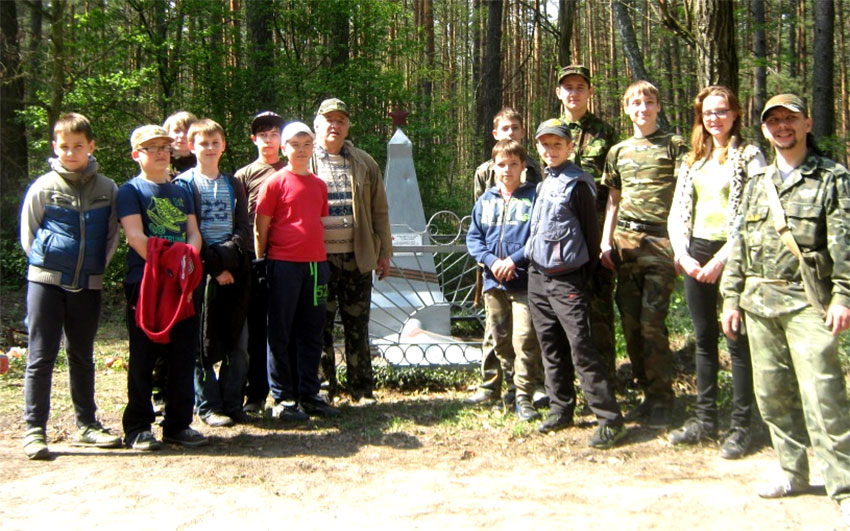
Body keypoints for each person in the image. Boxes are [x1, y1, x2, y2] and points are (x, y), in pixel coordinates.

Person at [720, 94, 850, 524]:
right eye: (773, 121)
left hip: (807, 302)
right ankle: (792, 471)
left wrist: (843, 296)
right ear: (764, 130)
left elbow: (844, 246)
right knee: (772, 395)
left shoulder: (832, 177)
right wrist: (731, 297)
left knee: (824, 395)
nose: (782, 127)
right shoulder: (758, 182)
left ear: (807, 123)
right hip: (759, 303)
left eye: (790, 120)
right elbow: (738, 243)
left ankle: (844, 484)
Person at [667, 86, 765, 459]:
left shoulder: (750, 156)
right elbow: (678, 211)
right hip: (696, 253)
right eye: (708, 112)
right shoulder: (693, 159)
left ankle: (744, 427)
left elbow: (753, 215)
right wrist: (683, 254)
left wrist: (723, 259)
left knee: (736, 341)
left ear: (735, 113)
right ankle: (705, 420)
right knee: (705, 339)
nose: (715, 118)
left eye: (722, 111)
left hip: (736, 256)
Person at [19, 112, 122, 459]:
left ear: (91, 146)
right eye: (64, 146)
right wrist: (47, 264)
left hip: (88, 285)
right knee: (40, 356)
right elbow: (29, 233)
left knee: (82, 356)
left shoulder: (108, 189)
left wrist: (95, 271)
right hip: (46, 283)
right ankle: (35, 430)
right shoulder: (43, 187)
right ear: (55, 147)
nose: (71, 152)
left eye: (78, 146)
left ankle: (88, 424)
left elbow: (111, 237)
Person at [526, 118, 626, 449]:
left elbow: (590, 234)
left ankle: (609, 418)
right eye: (545, 144)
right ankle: (561, 408)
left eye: (557, 144)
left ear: (570, 147)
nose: (550, 150)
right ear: (538, 149)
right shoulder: (542, 183)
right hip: (538, 277)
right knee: (550, 345)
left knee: (581, 346)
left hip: (568, 278)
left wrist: (591, 281)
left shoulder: (579, 184)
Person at [600, 81, 688, 429]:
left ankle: (664, 400)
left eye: (648, 102)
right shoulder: (618, 151)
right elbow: (613, 201)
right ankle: (646, 395)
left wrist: (682, 245)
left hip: (661, 242)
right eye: (635, 102)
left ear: (658, 106)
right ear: (626, 108)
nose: (642, 108)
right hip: (626, 244)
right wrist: (606, 242)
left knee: (653, 324)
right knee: (632, 325)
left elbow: (685, 195)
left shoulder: (674, 145)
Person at [117, 124, 208, 450]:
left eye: (164, 147)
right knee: (144, 356)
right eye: (151, 148)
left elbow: (193, 234)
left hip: (181, 286)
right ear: (136, 154)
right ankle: (138, 426)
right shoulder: (130, 192)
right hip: (146, 283)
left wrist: (187, 259)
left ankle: (178, 425)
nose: (159, 153)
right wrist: (171, 263)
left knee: (183, 355)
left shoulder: (182, 191)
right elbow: (136, 237)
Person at [255, 121, 339, 420]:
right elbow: (261, 224)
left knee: (311, 331)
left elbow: (315, 220)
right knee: (280, 331)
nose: (301, 151)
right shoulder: (275, 182)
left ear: (312, 147)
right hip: (283, 265)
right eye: (295, 145)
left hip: (315, 266)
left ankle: (309, 393)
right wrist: (262, 259)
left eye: (306, 145)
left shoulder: (318, 184)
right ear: (284, 148)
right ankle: (283, 398)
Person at [311, 98, 392, 405]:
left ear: (347, 127)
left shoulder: (364, 162)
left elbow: (380, 211)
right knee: (320, 326)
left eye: (341, 121)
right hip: (320, 261)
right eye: (329, 120)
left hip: (357, 258)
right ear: (317, 124)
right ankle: (323, 389)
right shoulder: (307, 162)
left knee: (358, 326)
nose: (335, 125)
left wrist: (384, 252)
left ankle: (361, 389)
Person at [175, 119, 251, 427]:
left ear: (223, 146)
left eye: (215, 143)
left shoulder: (233, 184)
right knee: (200, 344)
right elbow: (185, 232)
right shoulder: (183, 185)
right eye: (203, 143)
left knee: (239, 341)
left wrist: (227, 261)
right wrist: (214, 267)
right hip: (199, 272)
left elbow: (244, 229)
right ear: (192, 147)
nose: (209, 149)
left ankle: (233, 402)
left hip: (235, 270)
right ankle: (208, 405)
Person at [466, 107, 544, 408]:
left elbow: (538, 229)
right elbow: (479, 224)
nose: (510, 133)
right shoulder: (485, 174)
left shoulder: (536, 177)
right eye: (504, 129)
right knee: (495, 333)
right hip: (491, 269)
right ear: (495, 134)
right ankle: (493, 385)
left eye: (515, 128)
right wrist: (489, 260)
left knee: (526, 335)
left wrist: (515, 260)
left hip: (525, 271)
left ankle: (530, 388)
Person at [556, 65, 619, 382]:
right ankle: (566, 379)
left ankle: (604, 378)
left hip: (594, 233)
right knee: (563, 309)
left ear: (589, 92)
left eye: (580, 87)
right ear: (559, 93)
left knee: (598, 309)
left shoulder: (605, 133)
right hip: (561, 238)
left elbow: (614, 192)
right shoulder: (551, 133)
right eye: (567, 87)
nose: (574, 93)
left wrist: (608, 237)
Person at [236, 111, 287, 415]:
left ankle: (287, 388)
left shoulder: (294, 169)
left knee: (284, 327)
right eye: (263, 135)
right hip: (255, 261)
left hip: (288, 259)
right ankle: (255, 392)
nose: (269, 141)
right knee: (256, 329)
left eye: (274, 134)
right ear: (254, 139)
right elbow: (241, 221)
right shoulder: (243, 175)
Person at [163, 111, 199, 177]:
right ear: (167, 133)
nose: (182, 135)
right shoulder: (160, 160)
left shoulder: (202, 161)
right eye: (176, 131)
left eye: (187, 131)